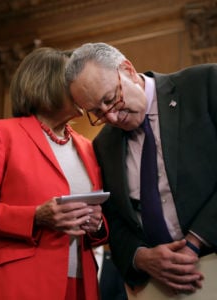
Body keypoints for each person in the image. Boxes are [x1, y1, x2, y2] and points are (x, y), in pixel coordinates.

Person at [66, 42, 217, 297]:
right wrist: (141, 257)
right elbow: (113, 218)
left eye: (110, 99)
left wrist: (194, 242)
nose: (111, 118)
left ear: (127, 69)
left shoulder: (204, 85)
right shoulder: (104, 144)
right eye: (97, 112)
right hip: (159, 288)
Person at [0, 47, 109, 300]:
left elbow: (101, 216)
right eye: (73, 79)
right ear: (48, 83)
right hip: (22, 281)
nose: (83, 87)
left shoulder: (87, 146)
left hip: (82, 283)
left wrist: (97, 224)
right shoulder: (2, 133)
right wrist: (35, 216)